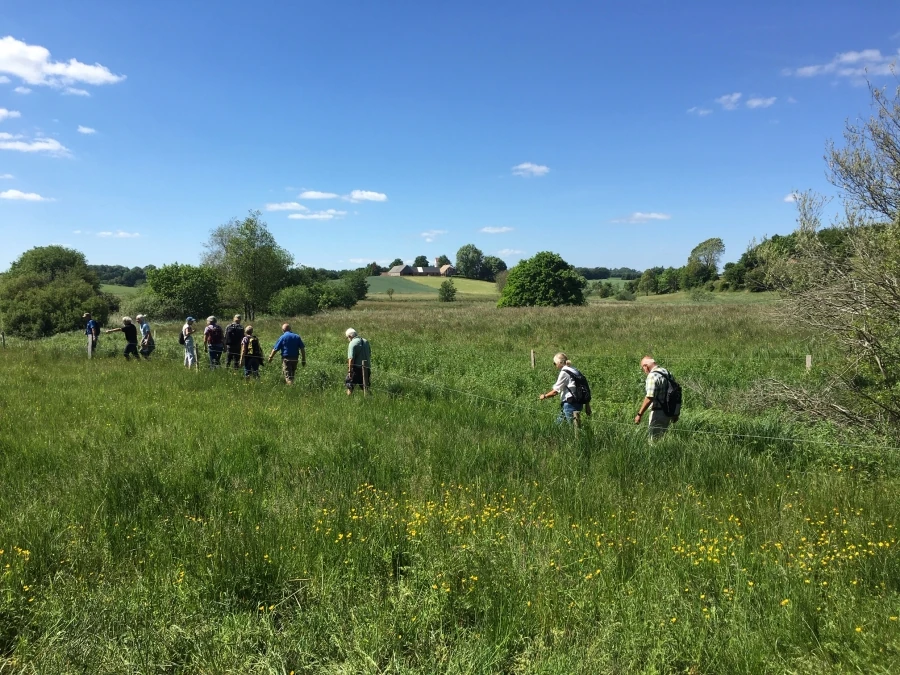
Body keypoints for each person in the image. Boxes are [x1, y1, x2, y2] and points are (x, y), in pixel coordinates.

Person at [635, 356, 678, 440]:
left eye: (642, 368)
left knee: (653, 442)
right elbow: (675, 393)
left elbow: (650, 397)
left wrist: (639, 414)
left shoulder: (652, 376)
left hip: (657, 413)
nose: (644, 371)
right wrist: (675, 412)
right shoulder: (667, 373)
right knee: (662, 440)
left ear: (645, 366)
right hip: (669, 412)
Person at [538, 352, 587, 425]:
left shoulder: (564, 372)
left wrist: (544, 396)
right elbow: (585, 386)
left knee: (573, 428)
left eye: (554, 363)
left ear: (559, 362)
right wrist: (587, 404)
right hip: (579, 403)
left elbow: (555, 391)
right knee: (557, 425)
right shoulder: (574, 370)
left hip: (570, 404)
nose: (555, 365)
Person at [345, 328, 371, 395]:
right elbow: (369, 354)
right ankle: (369, 400)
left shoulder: (352, 343)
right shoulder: (366, 341)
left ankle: (348, 401)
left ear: (350, 336)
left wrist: (350, 372)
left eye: (347, 337)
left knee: (350, 386)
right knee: (365, 388)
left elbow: (351, 359)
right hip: (366, 368)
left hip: (356, 369)